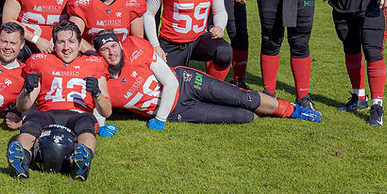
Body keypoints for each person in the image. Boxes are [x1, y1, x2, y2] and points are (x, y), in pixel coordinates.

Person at [93, 32, 321, 128]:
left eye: (114, 46)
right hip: (177, 110)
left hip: (184, 82)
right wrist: (100, 127)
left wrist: (160, 118)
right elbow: (98, 108)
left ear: (121, 45)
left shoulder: (136, 48)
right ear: (99, 54)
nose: (112, 52)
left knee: (245, 97)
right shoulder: (101, 78)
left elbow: (170, 82)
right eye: (105, 49)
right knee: (244, 116)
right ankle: (262, 110)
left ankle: (293, 111)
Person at [6, 21, 110, 181]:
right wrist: (26, 90)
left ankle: (83, 158)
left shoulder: (94, 63)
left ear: (79, 43)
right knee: (31, 124)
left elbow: (107, 111)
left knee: (86, 126)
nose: (66, 47)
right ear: (54, 44)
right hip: (47, 114)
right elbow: (22, 107)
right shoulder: (40, 61)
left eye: (71, 41)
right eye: (61, 42)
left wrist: (97, 93)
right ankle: (22, 158)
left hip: (79, 114)